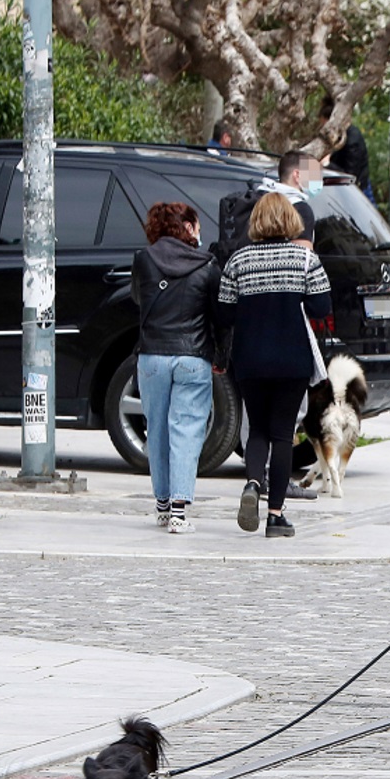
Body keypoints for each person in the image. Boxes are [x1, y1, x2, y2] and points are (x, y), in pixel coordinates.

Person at [217, 193, 332, 539]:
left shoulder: (239, 260)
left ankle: (253, 482)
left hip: (250, 359)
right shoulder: (304, 258)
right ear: (290, 221)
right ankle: (276, 515)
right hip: (291, 360)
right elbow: (322, 307)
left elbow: (223, 313)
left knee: (258, 431)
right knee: (283, 434)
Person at [130, 202, 222, 535]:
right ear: (184, 227)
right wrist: (220, 356)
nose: (199, 232)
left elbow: (138, 299)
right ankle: (180, 512)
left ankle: (162, 504)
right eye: (195, 225)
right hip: (192, 357)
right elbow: (217, 316)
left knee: (156, 429)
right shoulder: (208, 266)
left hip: (152, 355)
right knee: (186, 430)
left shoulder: (143, 260)